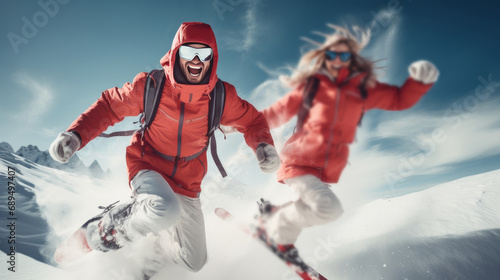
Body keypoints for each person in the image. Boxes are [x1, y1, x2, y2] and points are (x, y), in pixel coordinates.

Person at [48, 22, 280, 277]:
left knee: (194, 260)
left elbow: (253, 121)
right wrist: (76, 134)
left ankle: (156, 249)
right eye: (188, 52)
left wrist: (263, 144)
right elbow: (109, 106)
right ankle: (103, 230)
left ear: (212, 59)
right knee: (164, 209)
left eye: (203, 54)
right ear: (176, 53)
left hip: (188, 183)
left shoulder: (222, 96)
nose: (195, 60)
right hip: (148, 165)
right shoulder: (152, 86)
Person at [250, 24, 439, 259]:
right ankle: (276, 230)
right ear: (324, 58)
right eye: (331, 55)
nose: (337, 59)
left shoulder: (361, 91)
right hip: (297, 162)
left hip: (322, 169)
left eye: (344, 55)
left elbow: (398, 100)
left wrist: (418, 84)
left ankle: (276, 226)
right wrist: (241, 122)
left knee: (312, 207)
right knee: (328, 208)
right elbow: (275, 114)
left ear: (352, 59)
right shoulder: (311, 88)